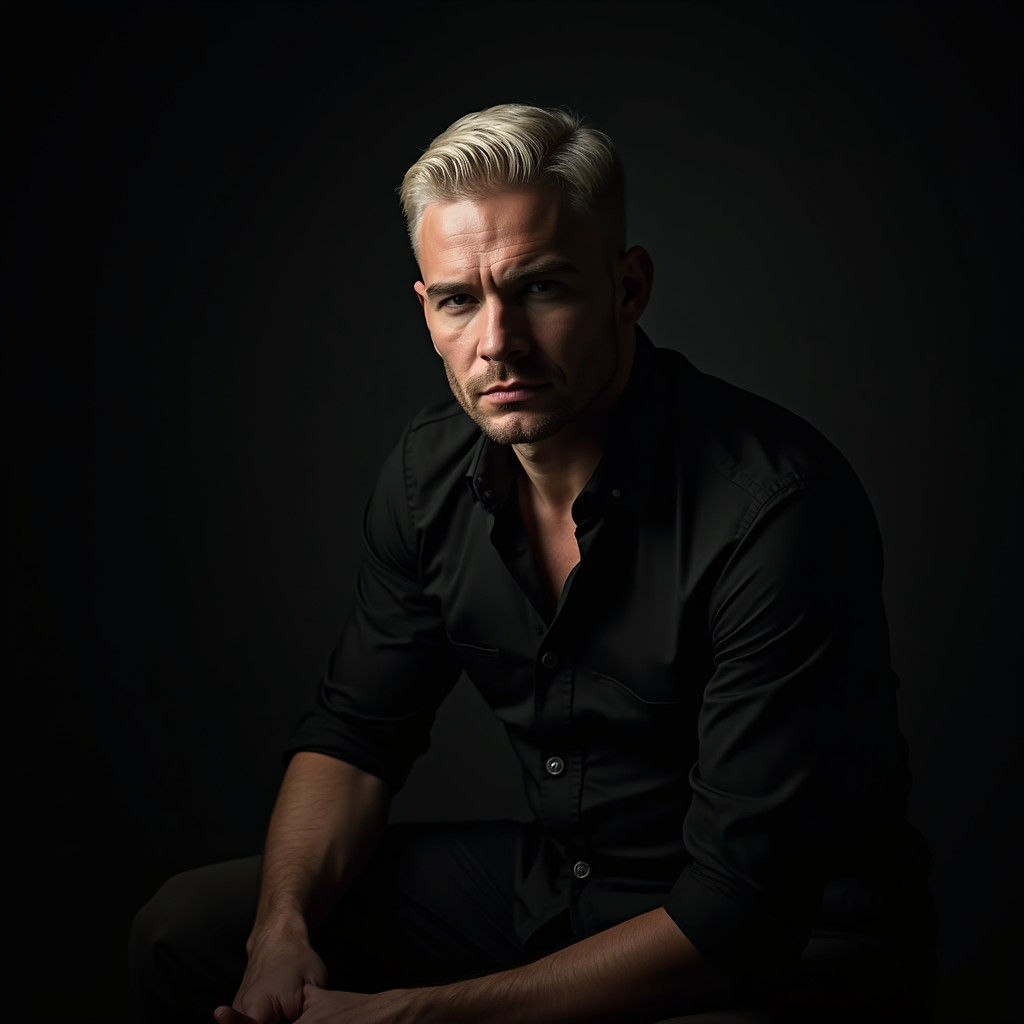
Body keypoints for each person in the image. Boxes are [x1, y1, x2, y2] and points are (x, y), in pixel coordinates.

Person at [130, 103, 936, 1024]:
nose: (497, 343)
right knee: (189, 929)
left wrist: (405, 1017)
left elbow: (739, 913)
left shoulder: (778, 510)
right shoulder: (427, 477)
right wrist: (281, 930)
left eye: (542, 288)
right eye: (459, 299)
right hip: (564, 887)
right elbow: (355, 738)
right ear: (428, 309)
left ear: (627, 287)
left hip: (783, 949)